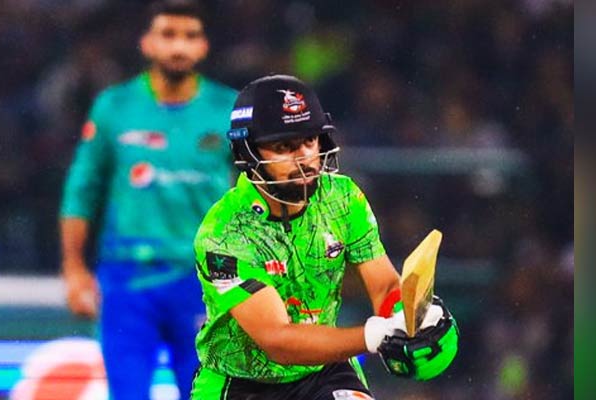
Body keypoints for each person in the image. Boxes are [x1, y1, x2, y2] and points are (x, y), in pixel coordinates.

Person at [191, 74, 459, 399]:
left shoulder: (342, 197)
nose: (304, 159)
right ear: (247, 152)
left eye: (309, 141)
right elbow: (277, 340)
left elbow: (384, 286)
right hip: (241, 383)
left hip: (325, 372)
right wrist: (375, 336)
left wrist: (408, 315)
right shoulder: (224, 233)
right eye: (283, 147)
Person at [59, 1, 237, 398]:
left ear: (204, 46)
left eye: (190, 36)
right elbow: (82, 189)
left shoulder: (229, 109)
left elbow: (258, 189)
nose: (179, 47)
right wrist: (73, 268)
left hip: (204, 277)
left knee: (206, 391)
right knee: (127, 392)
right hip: (126, 278)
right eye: (168, 35)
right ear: (147, 43)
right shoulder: (115, 106)